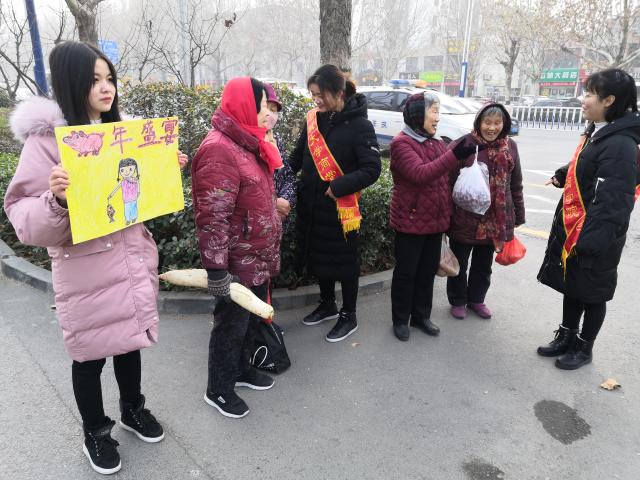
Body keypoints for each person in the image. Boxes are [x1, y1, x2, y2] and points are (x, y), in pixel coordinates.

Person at [3, 41, 187, 475]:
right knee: (88, 357)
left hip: (128, 261)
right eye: (94, 80)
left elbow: (134, 198)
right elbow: (23, 219)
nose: (107, 88)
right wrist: (57, 200)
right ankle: (96, 432)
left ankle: (133, 408)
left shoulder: (121, 132)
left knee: (130, 343)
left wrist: (163, 168)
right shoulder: (47, 144)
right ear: (72, 83)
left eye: (110, 79)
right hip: (86, 271)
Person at [191, 76, 282, 418]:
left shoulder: (247, 141)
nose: (266, 113)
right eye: (261, 106)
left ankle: (241, 370)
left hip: (254, 255)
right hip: (234, 260)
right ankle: (218, 389)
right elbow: (212, 216)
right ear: (244, 105)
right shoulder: (219, 148)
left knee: (247, 322)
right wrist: (217, 270)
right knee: (230, 324)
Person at [537, 69, 640, 370]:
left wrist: (590, 243)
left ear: (609, 100)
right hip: (581, 231)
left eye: (590, 94)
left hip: (597, 236)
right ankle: (566, 335)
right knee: (573, 286)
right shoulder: (601, 130)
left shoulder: (621, 144)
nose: (583, 100)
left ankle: (584, 347)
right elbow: (587, 165)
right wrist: (563, 173)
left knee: (593, 293)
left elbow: (613, 202)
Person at [290, 64, 381, 342]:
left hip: (341, 211)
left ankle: (348, 314)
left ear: (339, 93)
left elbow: (372, 169)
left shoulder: (360, 125)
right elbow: (298, 157)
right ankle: (327, 304)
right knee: (320, 258)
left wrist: (339, 186)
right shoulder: (313, 120)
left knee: (345, 264)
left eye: (321, 94)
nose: (316, 100)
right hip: (312, 205)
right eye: (313, 94)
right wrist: (276, 173)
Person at [389, 92, 480, 341]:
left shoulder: (436, 142)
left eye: (438, 112)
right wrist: (454, 154)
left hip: (435, 222)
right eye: (434, 111)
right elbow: (420, 174)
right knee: (406, 274)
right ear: (418, 114)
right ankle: (400, 319)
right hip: (410, 221)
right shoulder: (402, 143)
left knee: (427, 272)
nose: (437, 118)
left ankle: (421, 316)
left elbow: (444, 177)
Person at [446, 103, 525, 320]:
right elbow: (447, 181)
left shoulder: (510, 146)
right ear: (479, 122)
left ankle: (476, 300)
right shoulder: (464, 144)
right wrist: (446, 214)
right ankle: (458, 300)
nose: (492, 128)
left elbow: (515, 184)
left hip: (495, 218)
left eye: (497, 123)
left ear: (504, 124)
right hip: (464, 216)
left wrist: (519, 214)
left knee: (483, 264)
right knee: (460, 263)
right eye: (487, 122)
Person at [264, 82, 297, 231]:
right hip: (252, 229)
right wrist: (273, 203)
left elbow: (287, 175)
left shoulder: (275, 139)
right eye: (266, 108)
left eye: (274, 110)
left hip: (277, 225)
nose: (270, 114)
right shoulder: (244, 142)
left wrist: (286, 200)